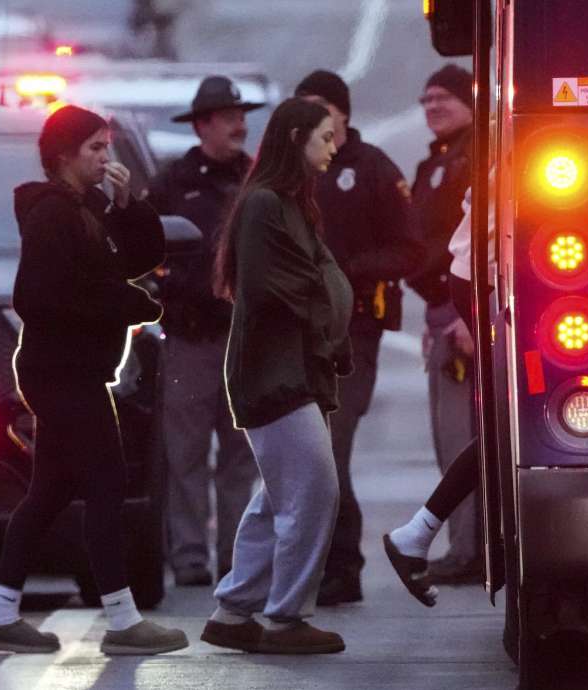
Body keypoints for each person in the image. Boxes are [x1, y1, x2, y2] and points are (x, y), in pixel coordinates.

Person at [0, 105, 188, 656]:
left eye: (107, 147)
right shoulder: (51, 215)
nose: (105, 158)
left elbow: (141, 256)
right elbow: (40, 298)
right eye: (95, 149)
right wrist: (129, 305)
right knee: (108, 483)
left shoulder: (88, 208)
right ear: (63, 155)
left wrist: (129, 204)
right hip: (61, 373)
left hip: (76, 371)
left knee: (50, 493)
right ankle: (122, 619)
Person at [199, 98, 351, 655]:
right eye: (326, 137)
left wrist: (328, 300)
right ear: (295, 138)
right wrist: (326, 300)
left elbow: (313, 280)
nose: (334, 148)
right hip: (272, 373)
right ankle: (285, 618)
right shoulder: (265, 204)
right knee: (313, 490)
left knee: (281, 495)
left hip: (291, 369)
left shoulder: (288, 203)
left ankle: (234, 610)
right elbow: (272, 288)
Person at [293, 69, 423, 606]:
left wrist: (352, 269)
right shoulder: (290, 172)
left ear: (343, 112)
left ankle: (343, 565)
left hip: (356, 334)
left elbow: (409, 248)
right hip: (297, 335)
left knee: (332, 446)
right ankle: (305, 564)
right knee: (301, 453)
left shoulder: (372, 169)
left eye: (320, 106)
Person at [146, 75, 262, 588]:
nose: (240, 125)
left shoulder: (257, 178)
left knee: (241, 456)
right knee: (186, 451)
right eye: (228, 116)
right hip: (190, 339)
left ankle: (235, 556)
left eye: (241, 115)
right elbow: (143, 251)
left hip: (245, 340)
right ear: (202, 125)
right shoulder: (172, 182)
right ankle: (189, 555)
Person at [385, 171, 497, 608]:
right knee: (508, 424)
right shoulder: (527, 133)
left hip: (480, 275)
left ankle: (417, 534)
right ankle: (418, 533)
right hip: (487, 279)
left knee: (506, 426)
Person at [405, 64, 481, 585]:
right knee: (446, 437)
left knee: (461, 438)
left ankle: (468, 551)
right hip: (443, 312)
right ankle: (466, 545)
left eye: (444, 98)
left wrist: (462, 313)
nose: (433, 106)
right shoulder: (436, 161)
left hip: (462, 313)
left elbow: (475, 243)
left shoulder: (476, 158)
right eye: (426, 98)